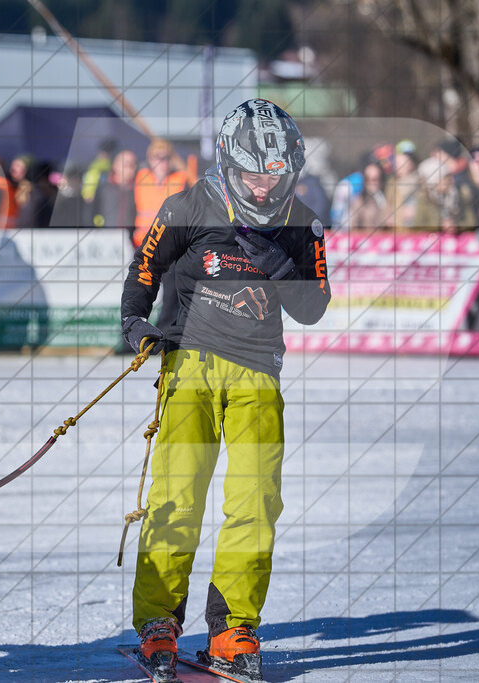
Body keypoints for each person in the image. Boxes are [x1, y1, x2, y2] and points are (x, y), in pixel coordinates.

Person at [119, 99, 330, 681]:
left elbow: (314, 307)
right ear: (230, 164)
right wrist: (136, 324)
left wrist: (281, 267)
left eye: (277, 175)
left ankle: (233, 624)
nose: (265, 187)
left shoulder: (301, 222)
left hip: (258, 373)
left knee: (255, 499)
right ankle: (159, 620)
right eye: (254, 174)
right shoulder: (187, 205)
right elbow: (143, 270)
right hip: (190, 367)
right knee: (177, 497)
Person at [133, 139, 190, 248]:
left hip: (169, 243)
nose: (161, 162)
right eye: (157, 157)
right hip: (141, 242)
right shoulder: (140, 177)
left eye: (166, 157)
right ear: (150, 159)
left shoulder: (182, 179)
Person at [92, 149, 137, 234]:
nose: (130, 168)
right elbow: (92, 214)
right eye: (126, 164)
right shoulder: (104, 189)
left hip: (132, 241)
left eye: (133, 164)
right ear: (115, 165)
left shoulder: (138, 189)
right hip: (108, 238)